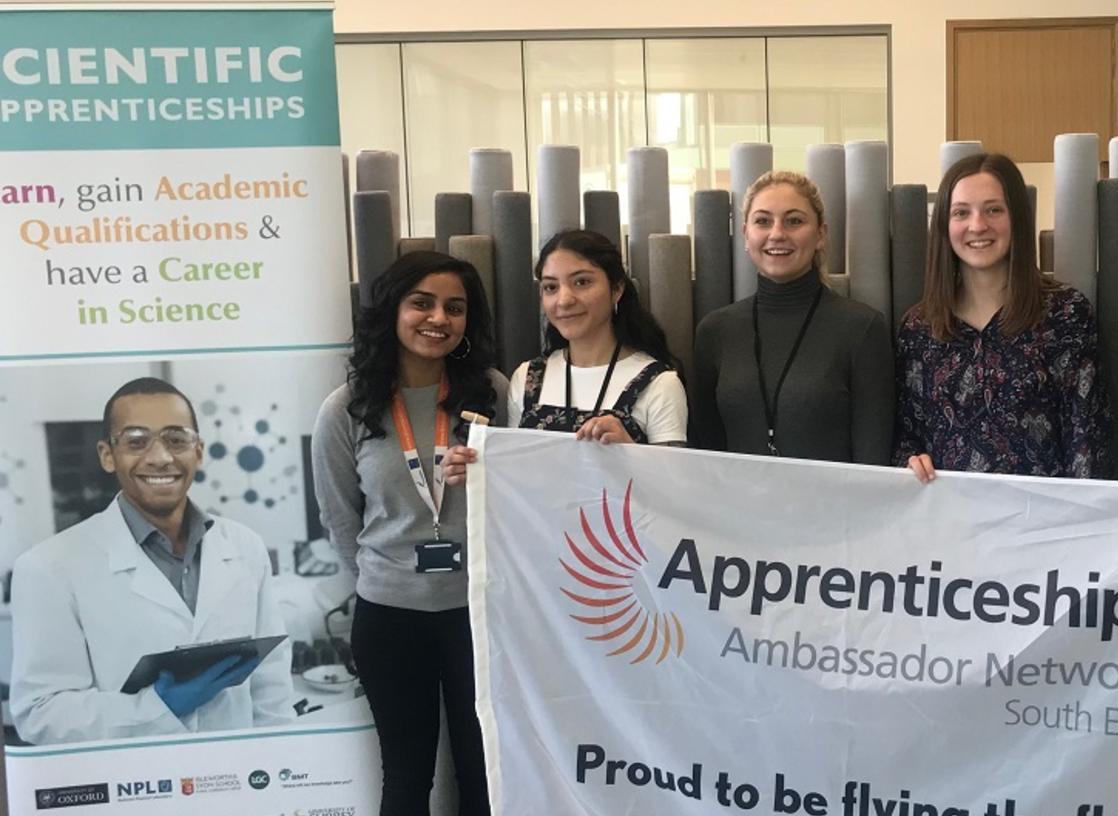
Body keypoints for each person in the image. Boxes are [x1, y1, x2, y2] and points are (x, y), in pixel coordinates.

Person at [311, 251, 508, 816]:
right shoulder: (347, 408)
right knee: (405, 777)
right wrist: (388, 574)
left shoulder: (491, 393)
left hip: (479, 614)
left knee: (484, 771)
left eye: (455, 307)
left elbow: (523, 497)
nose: (438, 318)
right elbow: (340, 518)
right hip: (389, 616)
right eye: (421, 302)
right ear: (393, 311)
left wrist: (492, 475)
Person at [10, 377, 294, 745]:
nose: (160, 457)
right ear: (107, 455)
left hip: (240, 783)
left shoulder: (245, 547)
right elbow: (40, 712)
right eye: (136, 441)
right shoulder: (48, 567)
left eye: (176, 439)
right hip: (133, 789)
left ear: (199, 451)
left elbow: (271, 686)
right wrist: (158, 708)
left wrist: (280, 769)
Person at [896, 153, 1110, 481]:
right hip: (951, 521)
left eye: (994, 209)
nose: (978, 225)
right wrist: (910, 461)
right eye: (961, 213)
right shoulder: (919, 327)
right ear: (944, 225)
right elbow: (907, 434)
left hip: (1041, 520)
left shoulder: (1065, 314)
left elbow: (1086, 439)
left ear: (1017, 218)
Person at [441, 230, 686, 489]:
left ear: (616, 289)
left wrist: (629, 452)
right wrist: (477, 469)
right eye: (550, 287)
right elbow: (518, 482)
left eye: (582, 282)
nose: (564, 299)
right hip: (536, 530)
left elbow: (675, 496)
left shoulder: (659, 384)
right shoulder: (527, 378)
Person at [689, 170, 894, 464]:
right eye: (763, 221)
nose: (777, 234)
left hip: (833, 508)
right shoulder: (715, 332)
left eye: (794, 220)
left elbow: (873, 461)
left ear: (821, 234)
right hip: (736, 507)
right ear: (746, 235)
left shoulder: (862, 328)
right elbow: (704, 452)